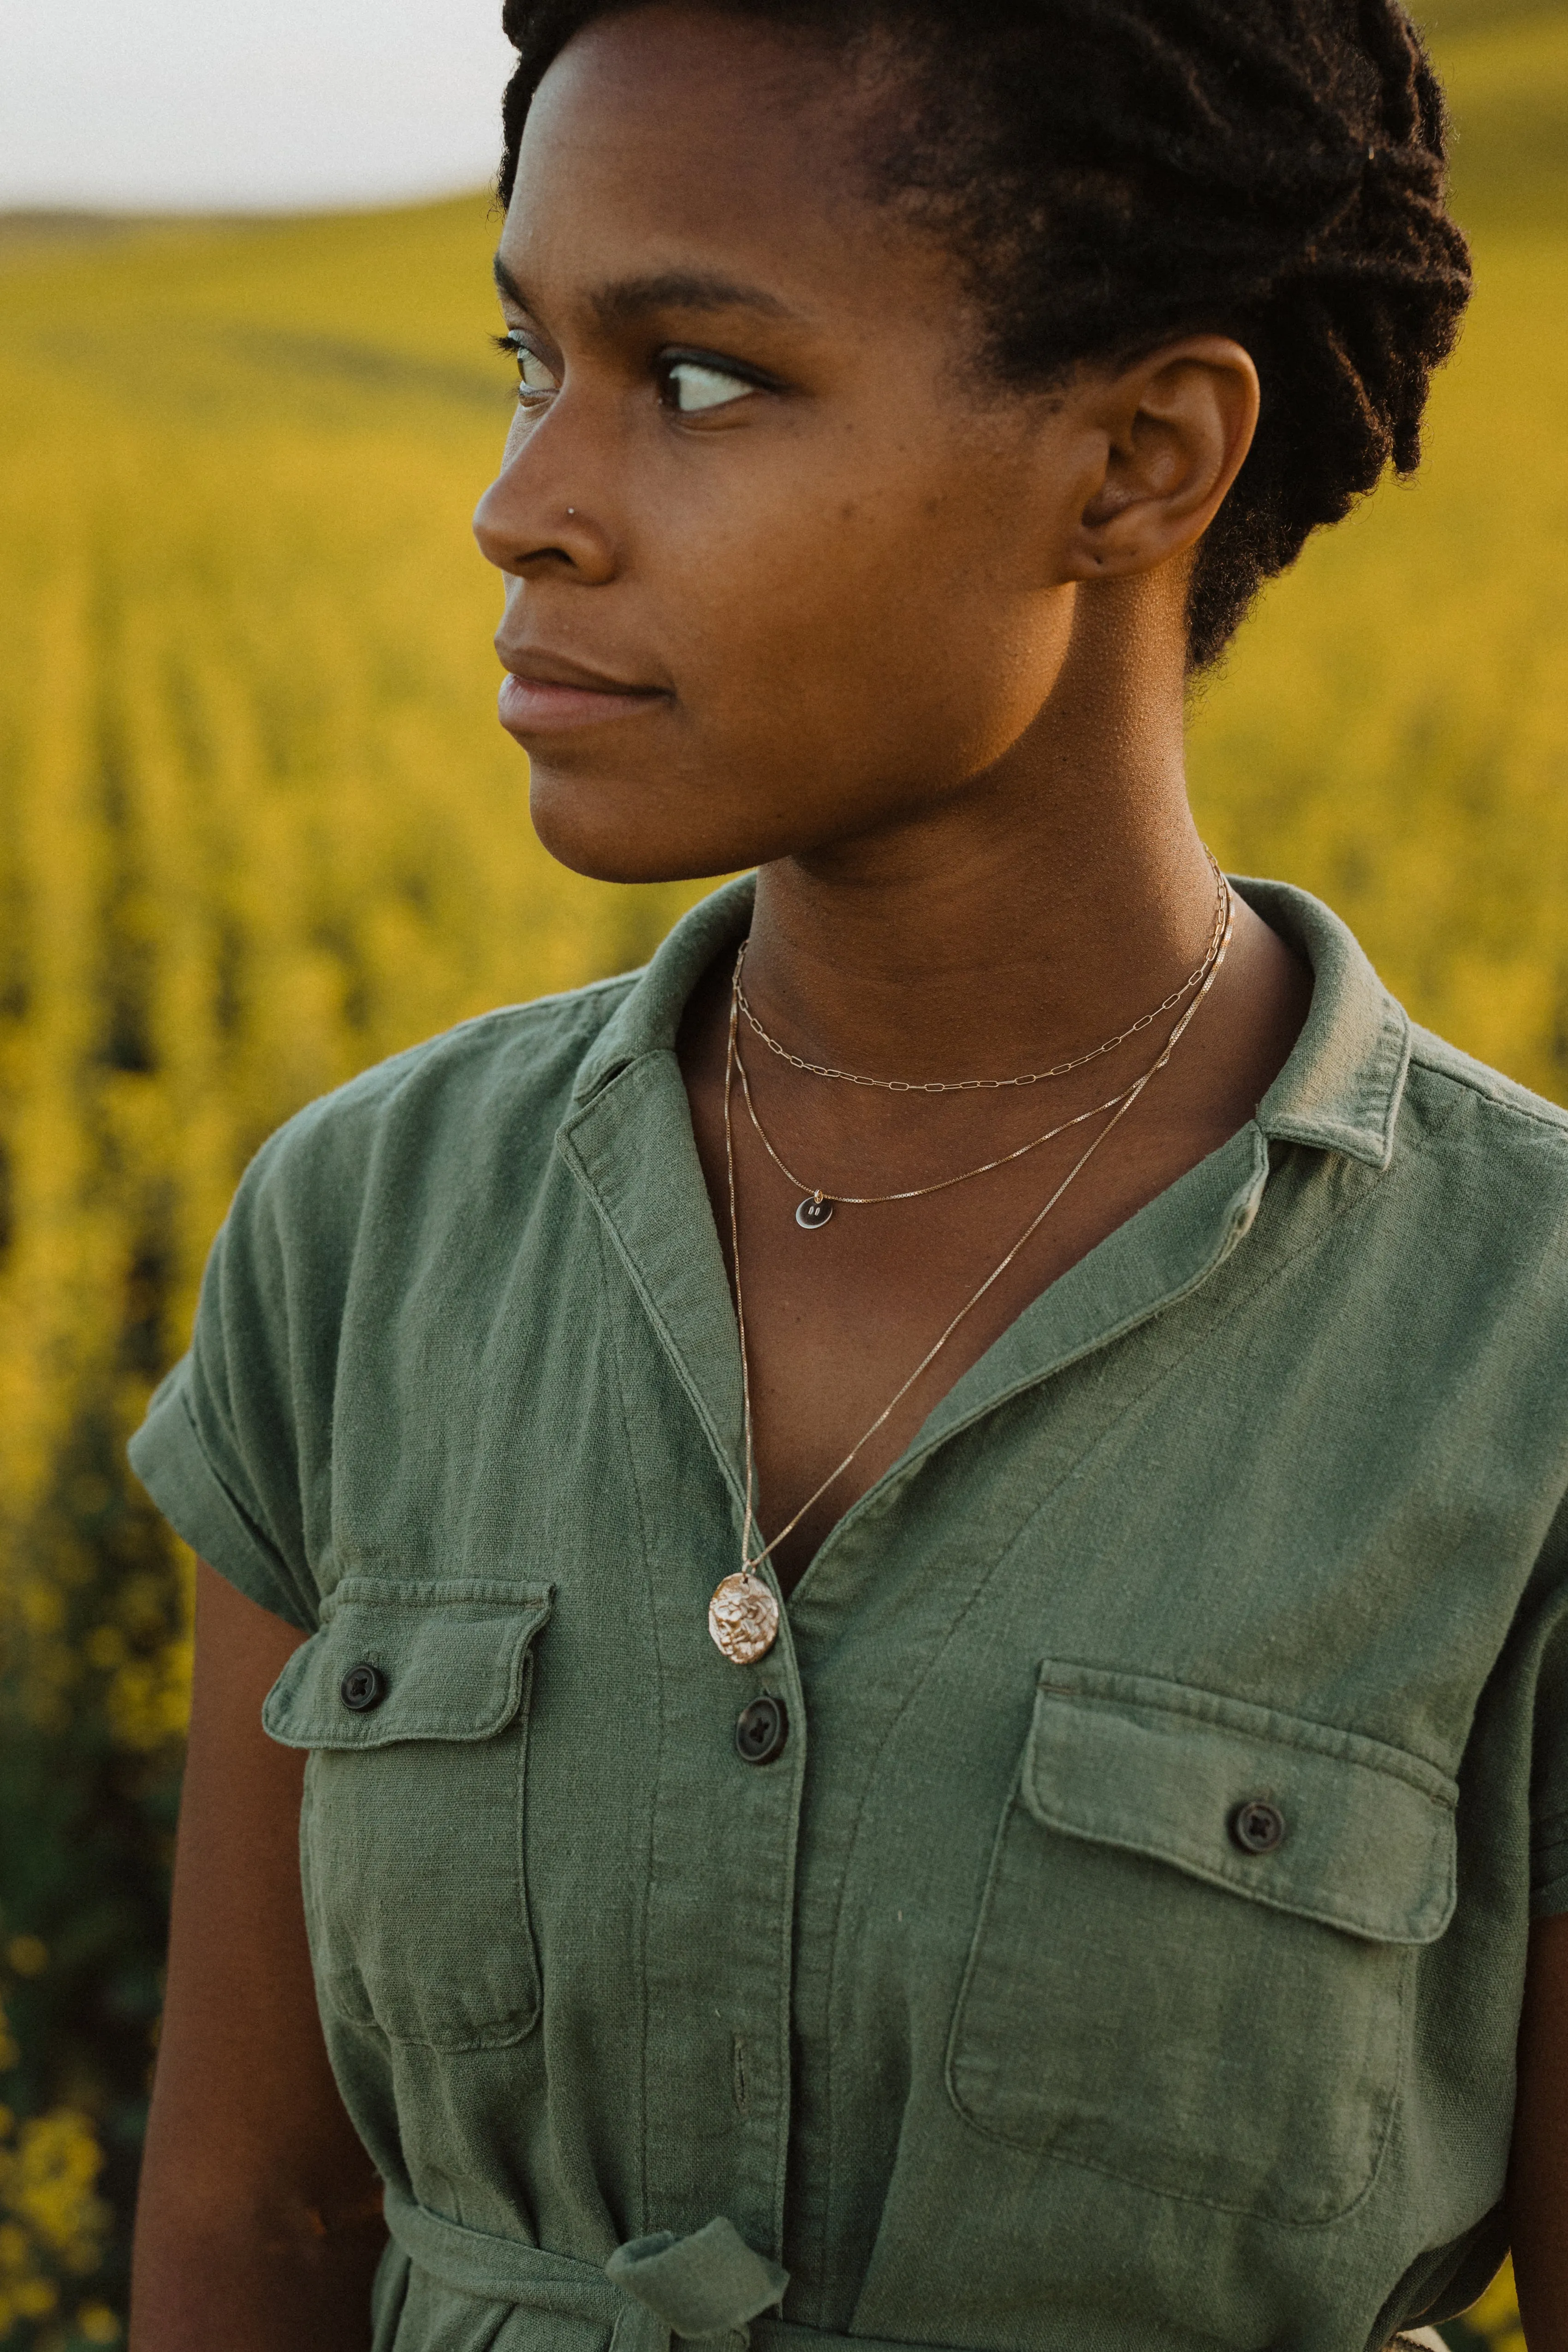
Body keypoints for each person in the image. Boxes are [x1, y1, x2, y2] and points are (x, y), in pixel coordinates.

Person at [125, 4, 1568, 2349]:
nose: (525, 504)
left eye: (695, 378)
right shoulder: (362, 1225)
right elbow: (257, 2241)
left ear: (1136, 462)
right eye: (528, 359)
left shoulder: (1524, 1339)